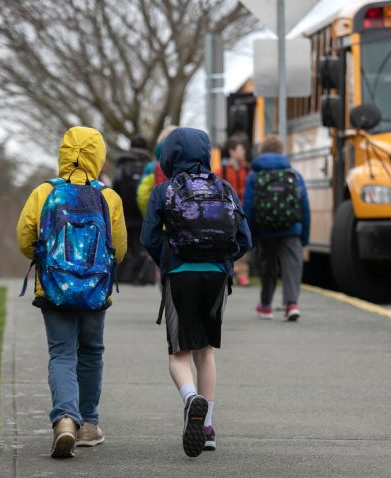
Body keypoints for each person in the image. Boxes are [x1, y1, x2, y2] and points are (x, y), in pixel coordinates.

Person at [16, 126, 127, 458]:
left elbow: (25, 238)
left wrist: (48, 262)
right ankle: (89, 424)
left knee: (62, 353)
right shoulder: (108, 197)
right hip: (95, 291)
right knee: (91, 352)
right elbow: (118, 248)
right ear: (98, 155)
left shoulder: (44, 193)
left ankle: (65, 419)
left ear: (63, 154)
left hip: (54, 289)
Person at [141, 127, 252, 457]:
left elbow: (149, 238)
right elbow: (245, 240)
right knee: (206, 352)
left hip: (179, 275)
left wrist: (170, 256)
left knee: (179, 354)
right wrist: (220, 259)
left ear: (170, 154)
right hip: (216, 277)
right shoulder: (225, 187)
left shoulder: (164, 191)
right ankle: (207, 428)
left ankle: (191, 400)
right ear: (206, 152)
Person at [243, 135, 310, 321]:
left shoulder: (255, 175)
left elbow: (248, 206)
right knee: (292, 266)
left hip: (265, 229)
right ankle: (292, 305)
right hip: (292, 228)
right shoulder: (294, 175)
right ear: (281, 151)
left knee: (267, 267)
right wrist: (304, 236)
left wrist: (249, 235)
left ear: (262, 151)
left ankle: (265, 306)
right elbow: (304, 206)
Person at [113, 135, 155, 284]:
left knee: (125, 242)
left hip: (124, 210)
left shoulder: (122, 164)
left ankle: (123, 275)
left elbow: (115, 186)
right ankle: (142, 276)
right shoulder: (149, 165)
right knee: (140, 243)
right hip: (142, 211)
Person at [220, 135, 251, 286]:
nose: (243, 152)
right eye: (240, 149)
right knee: (229, 242)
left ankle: (242, 273)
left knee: (243, 240)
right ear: (232, 152)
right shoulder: (223, 170)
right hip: (227, 213)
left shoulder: (248, 169)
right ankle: (232, 271)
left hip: (243, 212)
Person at [136, 125, 177, 217]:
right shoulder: (187, 167)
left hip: (157, 219)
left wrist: (151, 215)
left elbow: (142, 195)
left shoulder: (151, 167)